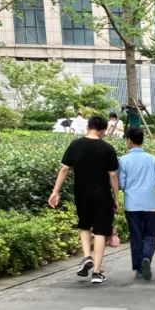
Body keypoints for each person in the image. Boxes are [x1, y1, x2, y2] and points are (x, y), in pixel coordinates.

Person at [48, 115, 120, 284]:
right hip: (102, 195)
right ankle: (96, 271)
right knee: (101, 231)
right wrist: (116, 197)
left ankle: (87, 256)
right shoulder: (107, 148)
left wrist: (55, 191)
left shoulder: (75, 145)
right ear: (103, 129)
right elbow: (113, 174)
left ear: (88, 126)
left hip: (82, 194)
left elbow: (65, 169)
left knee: (84, 226)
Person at [118, 127, 155, 281]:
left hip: (132, 204)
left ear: (129, 141)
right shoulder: (151, 159)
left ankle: (138, 269)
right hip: (151, 203)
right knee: (150, 235)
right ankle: (147, 258)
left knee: (136, 236)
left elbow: (121, 183)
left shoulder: (123, 160)